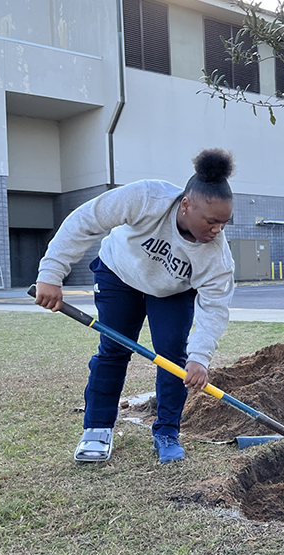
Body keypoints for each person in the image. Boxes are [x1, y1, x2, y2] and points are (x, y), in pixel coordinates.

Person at [35, 149, 236, 462]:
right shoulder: (147, 197)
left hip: (171, 290)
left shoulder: (217, 257)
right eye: (211, 221)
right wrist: (51, 273)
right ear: (186, 205)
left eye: (223, 224)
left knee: (173, 356)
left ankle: (167, 433)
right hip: (119, 273)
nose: (217, 230)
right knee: (114, 349)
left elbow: (215, 308)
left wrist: (200, 358)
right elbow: (87, 220)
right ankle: (97, 430)